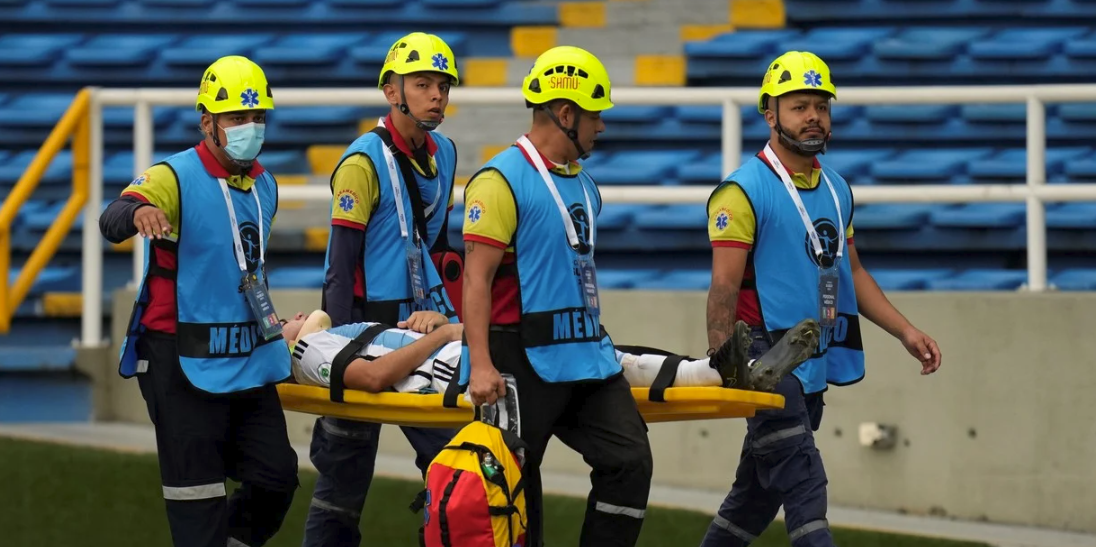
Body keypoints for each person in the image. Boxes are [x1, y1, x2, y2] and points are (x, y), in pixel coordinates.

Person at [700, 50, 943, 547]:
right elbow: (723, 288)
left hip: (811, 362)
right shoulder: (741, 192)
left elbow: (853, 272)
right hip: (763, 362)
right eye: (799, 106)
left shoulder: (837, 189)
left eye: (822, 106)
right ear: (770, 115)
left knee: (755, 498)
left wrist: (905, 331)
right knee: (805, 483)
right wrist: (726, 361)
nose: (814, 116)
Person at [98, 56, 298, 547]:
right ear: (207, 121)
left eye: (258, 117)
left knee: (277, 479)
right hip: (177, 355)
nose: (250, 128)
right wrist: (139, 213)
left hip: (248, 356)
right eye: (237, 117)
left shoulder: (266, 184)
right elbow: (113, 216)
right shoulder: (174, 175)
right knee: (198, 499)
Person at [456, 45, 645, 547]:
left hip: (584, 355)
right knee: (515, 493)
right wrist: (480, 365)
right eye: (594, 114)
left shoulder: (586, 186)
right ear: (565, 114)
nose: (601, 125)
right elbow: (476, 280)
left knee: (629, 461)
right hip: (514, 357)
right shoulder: (499, 182)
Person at [302, 32, 463, 547]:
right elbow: (339, 268)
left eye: (443, 85)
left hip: (422, 331)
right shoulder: (361, 163)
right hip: (365, 333)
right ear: (392, 92)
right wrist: (337, 352)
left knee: (459, 465)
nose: (436, 95)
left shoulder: (447, 154)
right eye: (423, 84)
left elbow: (439, 254)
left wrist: (445, 319)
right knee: (342, 484)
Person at [281, 310, 822, 396]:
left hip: (461, 350)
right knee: (593, 355)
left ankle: (720, 371)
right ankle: (717, 372)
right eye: (284, 320)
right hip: (461, 369)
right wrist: (444, 337)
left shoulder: (342, 329)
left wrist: (434, 322)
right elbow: (372, 379)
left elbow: (391, 352)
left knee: (598, 351)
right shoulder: (308, 350)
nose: (294, 315)